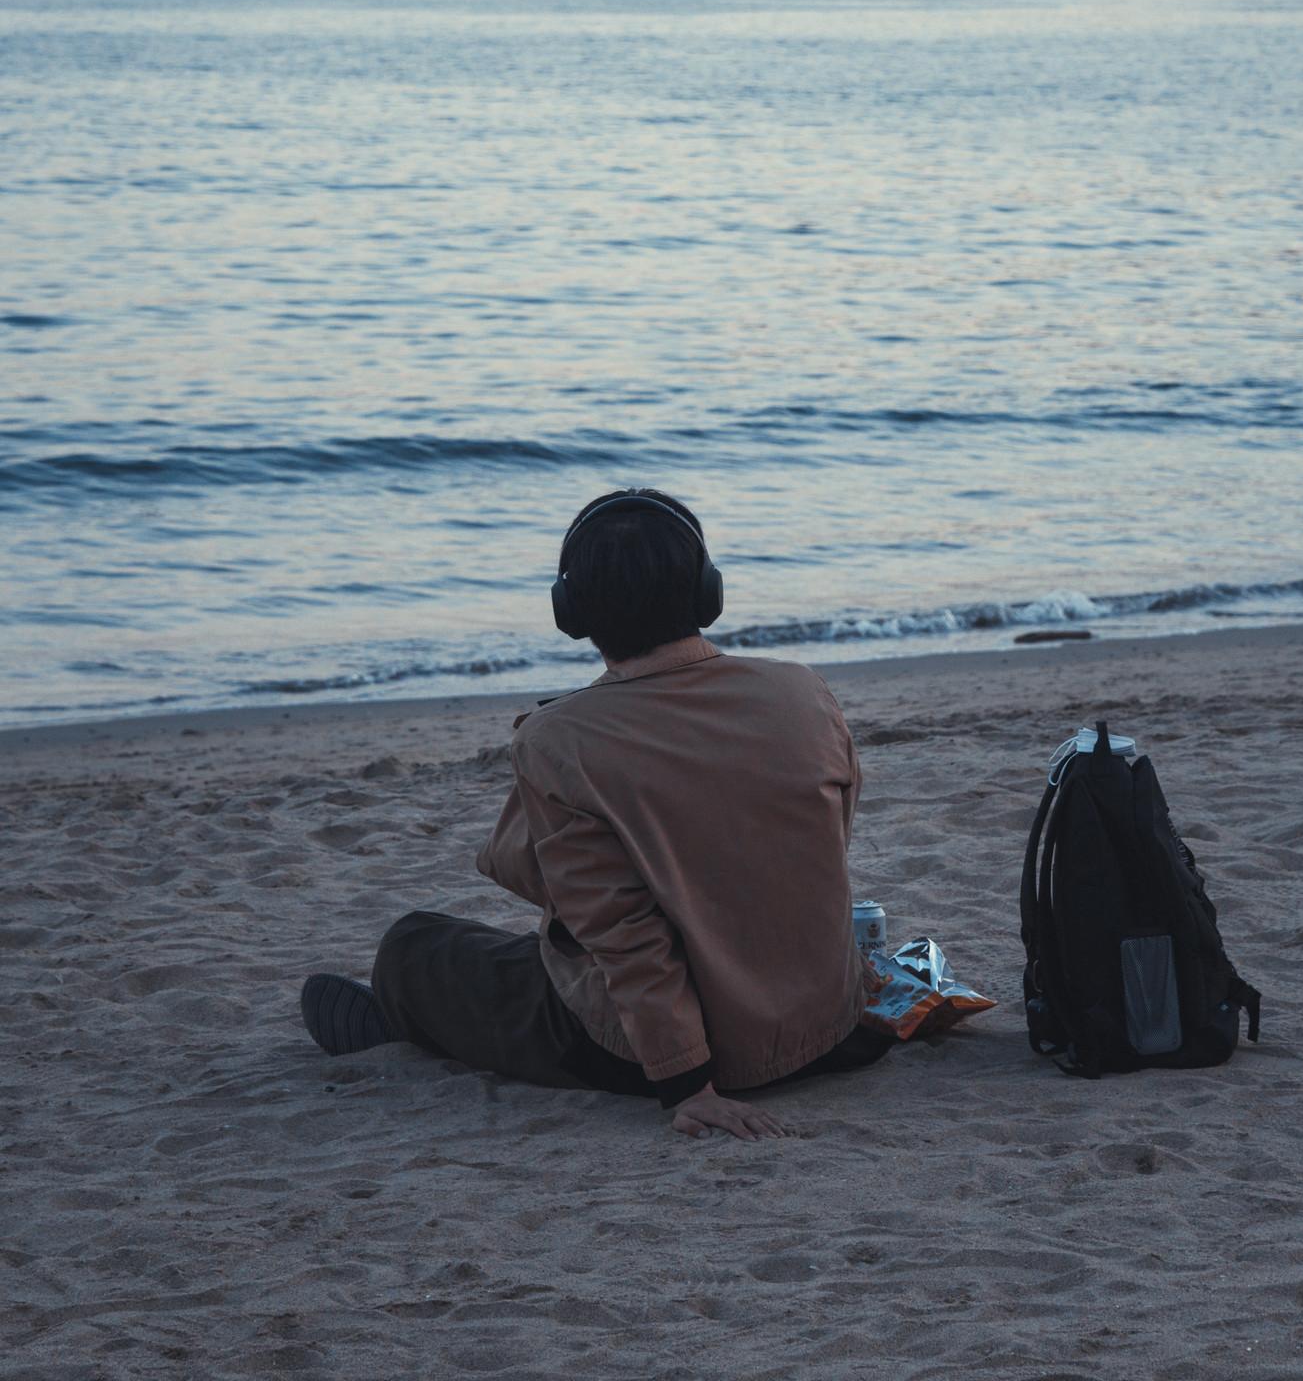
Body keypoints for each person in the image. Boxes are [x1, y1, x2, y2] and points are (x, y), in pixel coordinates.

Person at [300, 489, 889, 1140]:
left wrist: (687, 1085)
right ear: (706, 594)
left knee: (413, 947)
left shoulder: (558, 738)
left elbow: (622, 935)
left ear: (569, 611)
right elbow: (819, 846)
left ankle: (406, 1024)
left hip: (673, 1059)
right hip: (826, 1026)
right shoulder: (802, 692)